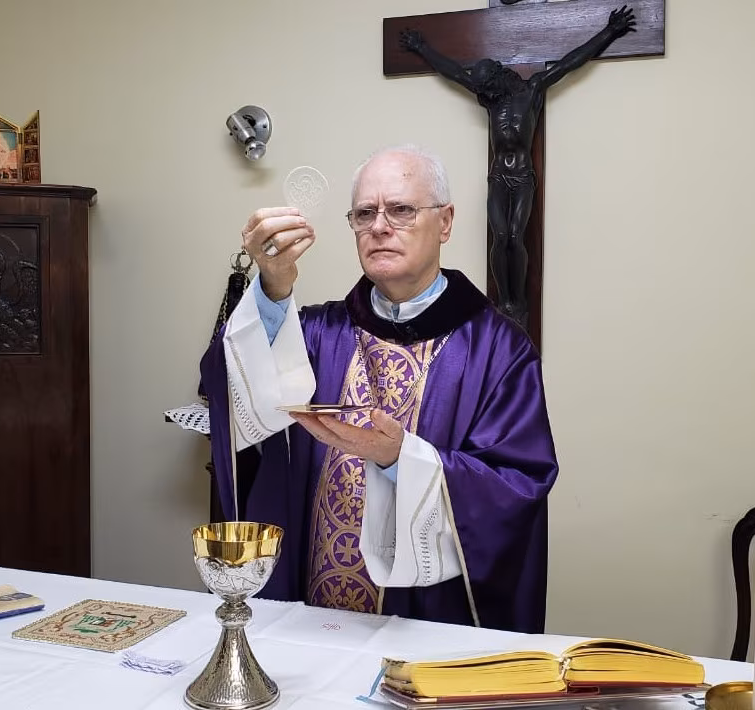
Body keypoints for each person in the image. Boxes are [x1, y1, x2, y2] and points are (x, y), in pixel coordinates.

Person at [200, 145, 558, 632]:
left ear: (446, 222)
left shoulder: (498, 350)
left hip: (424, 626)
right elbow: (238, 385)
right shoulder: (315, 333)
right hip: (312, 616)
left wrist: (401, 460)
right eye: (365, 213)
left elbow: (517, 484)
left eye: (402, 210)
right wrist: (273, 287)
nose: (380, 226)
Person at [399, 6, 636, 326]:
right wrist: (422, 48)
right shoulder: (492, 99)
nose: (482, 94)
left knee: (514, 235)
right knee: (499, 236)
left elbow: (570, 62)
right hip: (499, 175)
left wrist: (609, 32)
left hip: (522, 176)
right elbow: (454, 72)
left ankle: (519, 301)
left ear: (498, 80)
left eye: (486, 89)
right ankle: (505, 301)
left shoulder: (533, 89)